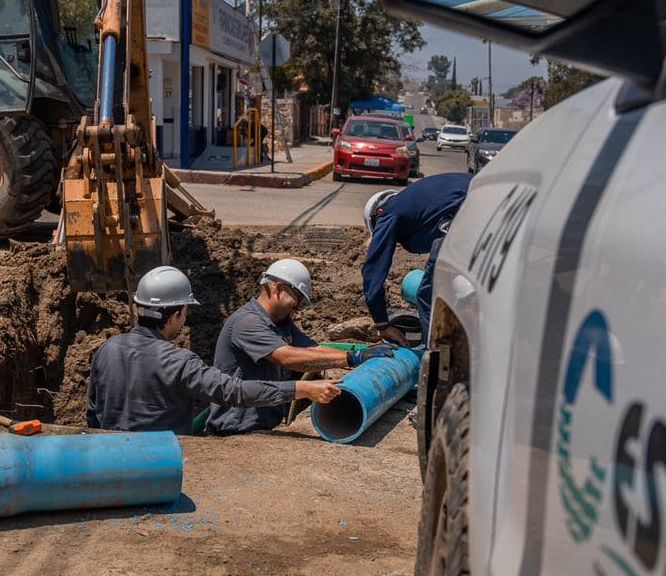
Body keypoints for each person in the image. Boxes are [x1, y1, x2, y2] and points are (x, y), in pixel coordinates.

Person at [87, 265, 343, 435]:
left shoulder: (107, 349)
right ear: (176, 314)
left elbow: (93, 412)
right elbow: (236, 392)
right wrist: (301, 389)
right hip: (161, 462)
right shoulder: (180, 361)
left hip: (112, 455)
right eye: (186, 311)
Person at [206, 259, 396, 436]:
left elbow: (313, 350)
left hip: (262, 426)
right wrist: (351, 358)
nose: (296, 307)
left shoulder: (280, 322)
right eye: (296, 300)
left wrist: (360, 355)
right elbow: (288, 358)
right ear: (279, 288)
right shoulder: (247, 322)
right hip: (233, 429)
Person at [362, 172, 471, 342]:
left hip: (466, 220)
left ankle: (438, 360)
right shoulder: (419, 199)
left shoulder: (389, 213)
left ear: (379, 212)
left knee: (431, 296)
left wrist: (382, 325)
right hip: (501, 205)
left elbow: (373, 271)